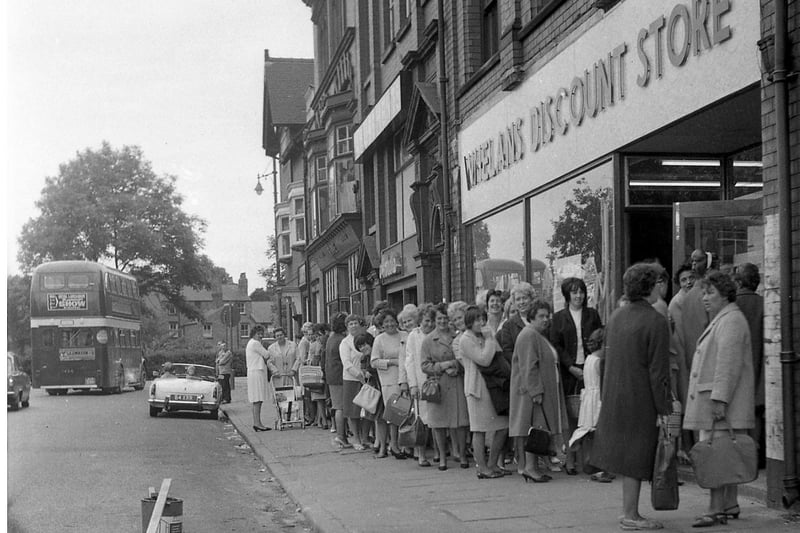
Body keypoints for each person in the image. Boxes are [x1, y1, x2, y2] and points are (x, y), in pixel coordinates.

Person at [591, 263, 671, 531]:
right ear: (650, 287)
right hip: (642, 398)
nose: (662, 286)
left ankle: (629, 511)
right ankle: (631, 515)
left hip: (616, 393)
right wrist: (665, 407)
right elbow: (659, 371)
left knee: (627, 455)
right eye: (658, 281)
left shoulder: (616, 317)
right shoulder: (656, 321)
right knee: (637, 455)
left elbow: (606, 358)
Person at [684, 270, 755, 527]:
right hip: (725, 402)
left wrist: (719, 400)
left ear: (725, 295)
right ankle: (730, 503)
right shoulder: (726, 318)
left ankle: (715, 509)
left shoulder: (730, 321)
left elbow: (728, 364)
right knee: (727, 453)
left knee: (716, 455)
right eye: (703, 292)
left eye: (710, 292)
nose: (705, 298)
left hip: (721, 404)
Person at [510, 299, 569, 483]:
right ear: (532, 318)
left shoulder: (537, 334)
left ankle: (532, 467)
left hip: (539, 392)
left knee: (537, 429)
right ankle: (530, 467)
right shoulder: (529, 335)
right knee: (535, 429)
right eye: (541, 316)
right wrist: (536, 392)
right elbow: (529, 367)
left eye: (547, 315)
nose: (546, 319)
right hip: (532, 394)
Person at [550, 277, 602, 475]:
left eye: (581, 291)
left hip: (591, 368)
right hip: (569, 370)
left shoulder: (592, 314)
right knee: (571, 415)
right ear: (567, 296)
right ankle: (570, 460)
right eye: (574, 292)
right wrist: (570, 366)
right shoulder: (559, 318)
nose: (578, 296)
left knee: (591, 413)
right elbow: (556, 344)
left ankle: (590, 459)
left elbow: (599, 338)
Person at [458, 305, 509, 479]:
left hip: (494, 386)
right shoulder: (465, 339)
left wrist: (489, 337)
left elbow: (499, 353)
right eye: (477, 319)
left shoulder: (487, 334)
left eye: (483, 319)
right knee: (479, 429)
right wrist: (489, 339)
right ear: (469, 322)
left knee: (502, 426)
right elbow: (484, 359)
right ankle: (482, 467)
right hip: (477, 389)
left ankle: (493, 463)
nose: (481, 322)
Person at [420, 303, 469, 471]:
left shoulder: (459, 336)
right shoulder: (428, 340)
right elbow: (424, 365)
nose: (442, 321)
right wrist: (443, 366)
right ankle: (442, 457)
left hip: (457, 383)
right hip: (438, 386)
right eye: (439, 318)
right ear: (434, 320)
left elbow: (466, 358)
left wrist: (456, 366)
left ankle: (462, 454)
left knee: (461, 422)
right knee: (438, 423)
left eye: (445, 318)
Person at [568, 327, 613, 483]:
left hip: (589, 398)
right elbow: (604, 381)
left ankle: (589, 461)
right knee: (602, 434)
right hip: (598, 398)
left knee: (591, 433)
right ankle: (602, 467)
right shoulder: (601, 360)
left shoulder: (589, 359)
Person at [734, 262, 765, 469]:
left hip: (738, 369)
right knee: (757, 412)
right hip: (760, 366)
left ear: (738, 282)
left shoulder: (732, 306)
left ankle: (740, 459)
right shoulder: (765, 304)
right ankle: (755, 455)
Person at [371, 308, 408, 459]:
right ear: (382, 324)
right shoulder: (379, 339)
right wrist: (391, 362)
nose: (390, 324)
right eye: (386, 322)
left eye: (392, 321)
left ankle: (406, 444)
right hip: (389, 381)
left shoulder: (405, 335)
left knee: (407, 413)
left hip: (405, 378)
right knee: (394, 414)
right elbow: (374, 362)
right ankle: (394, 444)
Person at [405, 303, 436, 467]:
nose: (429, 325)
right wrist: (412, 385)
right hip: (420, 381)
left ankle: (438, 452)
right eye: (426, 322)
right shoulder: (413, 336)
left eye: (431, 321)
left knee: (436, 419)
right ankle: (421, 454)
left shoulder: (437, 335)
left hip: (436, 382)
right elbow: (409, 361)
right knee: (421, 420)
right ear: (420, 321)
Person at [340, 314, 371, 451]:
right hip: (352, 379)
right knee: (353, 411)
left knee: (368, 409)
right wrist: (359, 375)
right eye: (350, 324)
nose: (353, 326)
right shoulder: (345, 343)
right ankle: (356, 439)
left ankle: (365, 438)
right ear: (347, 327)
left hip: (368, 378)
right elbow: (346, 363)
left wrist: (367, 374)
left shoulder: (365, 338)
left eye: (355, 323)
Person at [326, 312, 350, 449]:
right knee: (340, 407)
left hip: (331, 376)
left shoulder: (331, 338)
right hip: (339, 376)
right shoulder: (341, 339)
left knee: (337, 406)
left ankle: (342, 435)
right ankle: (341, 436)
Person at [245, 327, 273, 432]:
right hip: (257, 372)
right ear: (253, 334)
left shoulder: (252, 343)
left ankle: (257, 422)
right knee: (257, 399)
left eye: (262, 334)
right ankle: (257, 423)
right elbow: (266, 354)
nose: (260, 336)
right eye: (258, 334)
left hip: (255, 372)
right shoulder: (255, 343)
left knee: (257, 399)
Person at [309, 323, 330, 429]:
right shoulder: (314, 345)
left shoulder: (324, 343)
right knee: (319, 397)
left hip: (319, 371)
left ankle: (323, 420)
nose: (317, 338)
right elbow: (311, 359)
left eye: (318, 335)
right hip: (317, 372)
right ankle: (322, 420)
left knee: (321, 397)